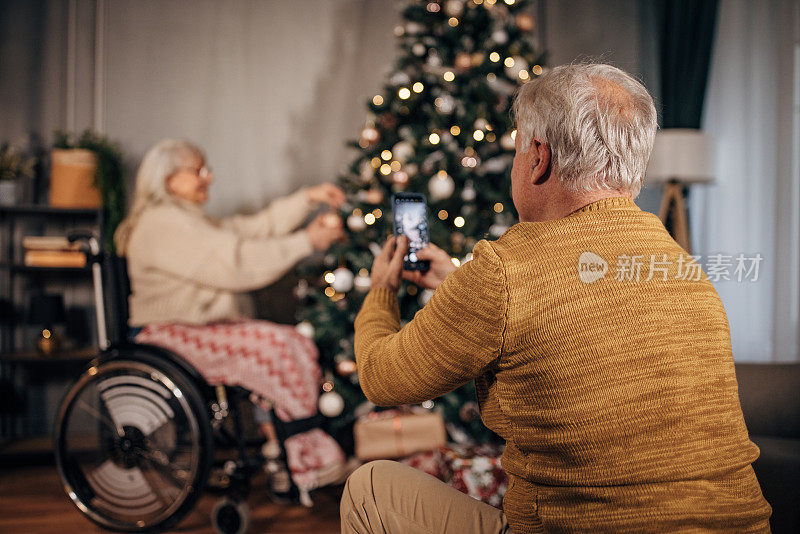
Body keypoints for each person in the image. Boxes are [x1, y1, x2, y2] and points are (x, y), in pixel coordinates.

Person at [341, 64, 771, 533]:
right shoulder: (682, 267)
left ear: (538, 158)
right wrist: (459, 283)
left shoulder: (506, 269)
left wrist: (382, 291)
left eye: (518, 146)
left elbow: (382, 378)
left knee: (370, 489)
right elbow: (573, 309)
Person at [114, 138, 349, 498]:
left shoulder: (185, 219)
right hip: (166, 333)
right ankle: (304, 456)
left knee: (294, 341)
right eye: (198, 170)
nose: (208, 177)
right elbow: (236, 263)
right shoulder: (160, 224)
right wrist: (307, 241)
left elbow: (252, 229)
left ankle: (285, 451)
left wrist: (307, 200)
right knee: (279, 345)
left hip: (196, 327)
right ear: (169, 180)